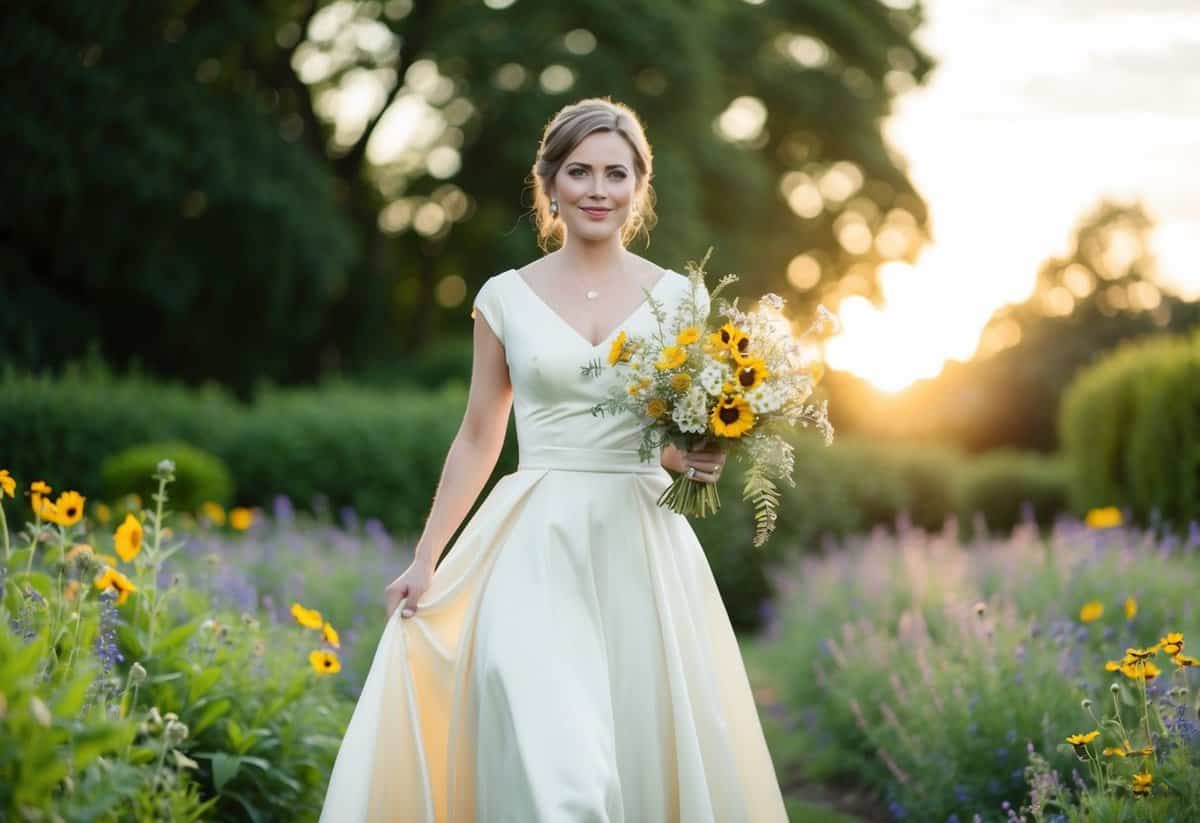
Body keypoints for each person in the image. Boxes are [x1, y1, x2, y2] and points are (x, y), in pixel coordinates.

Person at [318, 97, 789, 823]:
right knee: (555, 760)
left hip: (640, 543)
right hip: (534, 543)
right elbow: (479, 435)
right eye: (579, 171)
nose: (598, 189)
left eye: (616, 173)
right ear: (550, 184)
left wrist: (701, 453)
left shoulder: (680, 298)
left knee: (636, 744)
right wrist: (425, 556)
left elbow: (669, 435)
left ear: (639, 187)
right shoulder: (505, 297)